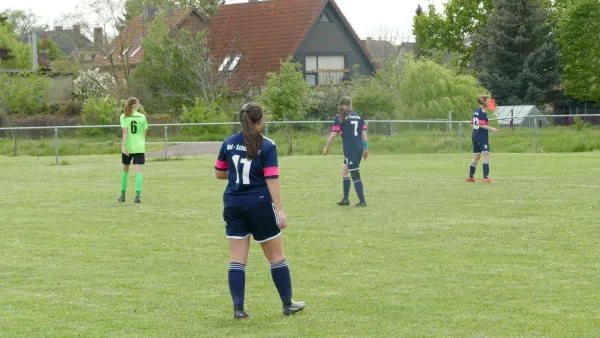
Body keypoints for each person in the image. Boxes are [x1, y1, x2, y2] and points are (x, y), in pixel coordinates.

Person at [214, 102, 305, 319]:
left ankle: (238, 308)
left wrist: (236, 176)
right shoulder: (267, 145)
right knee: (276, 257)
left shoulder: (228, 142)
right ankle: (287, 304)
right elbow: (271, 179)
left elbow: (219, 173)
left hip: (233, 204)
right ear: (260, 121)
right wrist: (280, 211)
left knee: (237, 259)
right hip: (260, 204)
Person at [322, 97, 369, 207]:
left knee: (355, 175)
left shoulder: (339, 117)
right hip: (358, 148)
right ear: (350, 105)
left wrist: (326, 147)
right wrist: (365, 148)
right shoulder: (358, 116)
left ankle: (362, 201)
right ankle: (346, 199)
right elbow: (364, 133)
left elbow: (333, 134)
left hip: (351, 149)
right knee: (344, 170)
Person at [118, 97, 148, 203]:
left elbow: (125, 132)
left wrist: (124, 146)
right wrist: (140, 142)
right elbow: (144, 132)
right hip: (139, 147)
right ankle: (138, 196)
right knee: (138, 171)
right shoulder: (142, 116)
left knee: (125, 170)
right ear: (136, 105)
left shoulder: (124, 116)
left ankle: (122, 195)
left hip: (128, 148)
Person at [467, 95, 498, 183]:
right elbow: (480, 125)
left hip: (475, 136)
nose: (489, 103)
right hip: (481, 136)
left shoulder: (477, 111)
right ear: (484, 102)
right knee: (486, 154)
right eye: (488, 101)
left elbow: (472, 122)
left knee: (477, 156)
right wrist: (492, 128)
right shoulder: (481, 112)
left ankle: (470, 177)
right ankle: (486, 178)